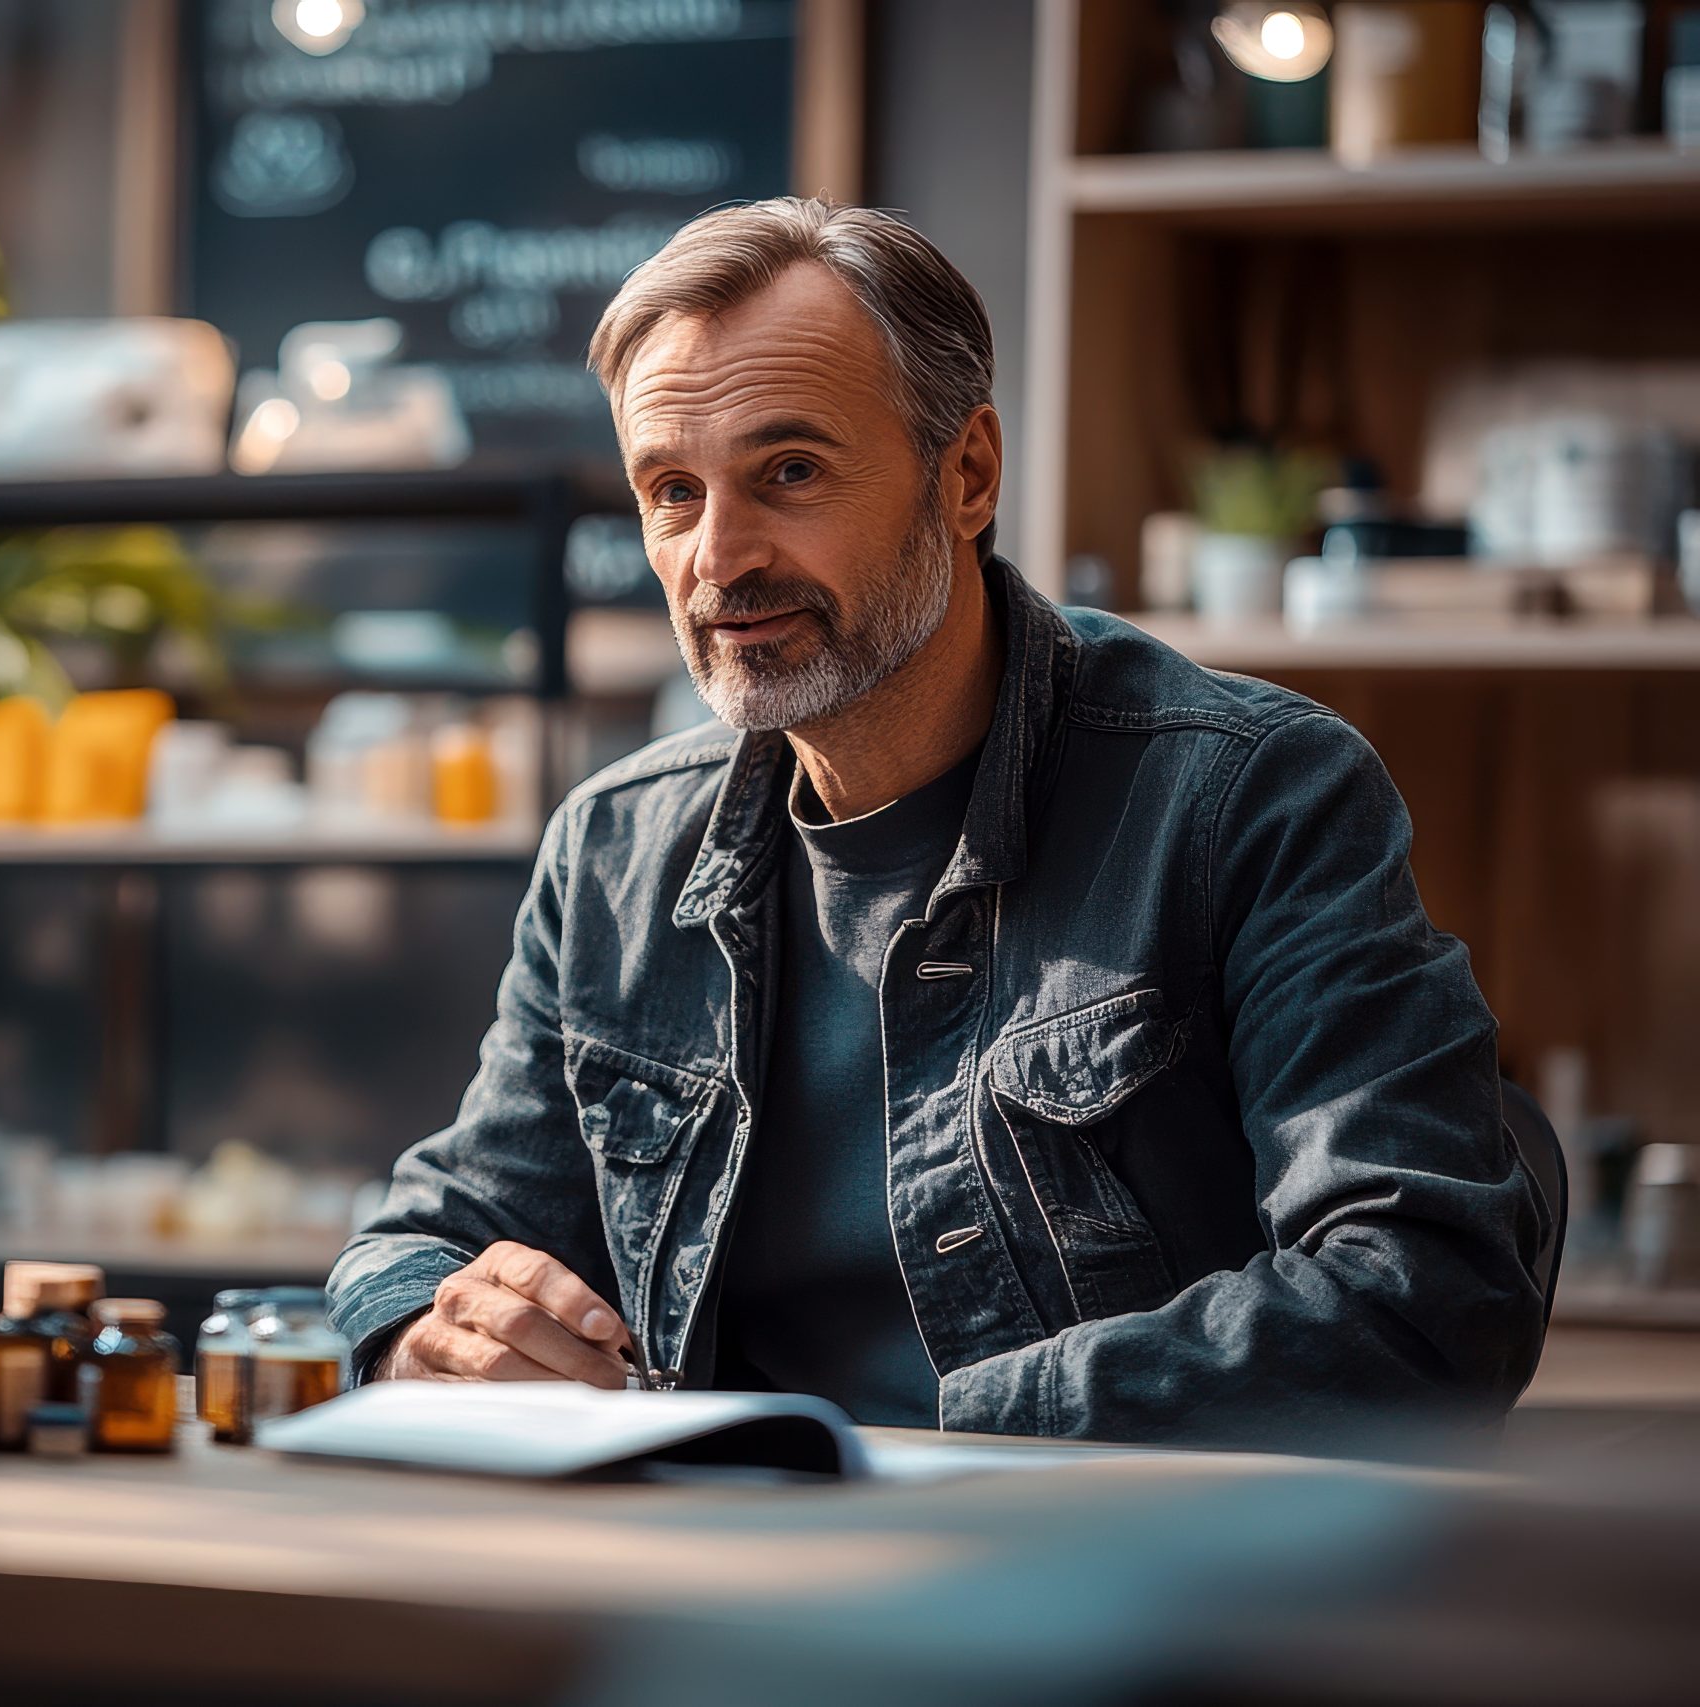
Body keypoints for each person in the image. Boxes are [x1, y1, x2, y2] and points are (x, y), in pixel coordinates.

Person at [326, 198, 1549, 1447]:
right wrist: (425, 1329)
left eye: (788, 472)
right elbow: (430, 1234)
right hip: (706, 1567)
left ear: (965, 475)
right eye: (673, 492)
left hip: (1111, 1586)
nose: (718, 559)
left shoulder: (1250, 794)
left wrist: (922, 1436)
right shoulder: (613, 851)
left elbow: (1425, 1296)